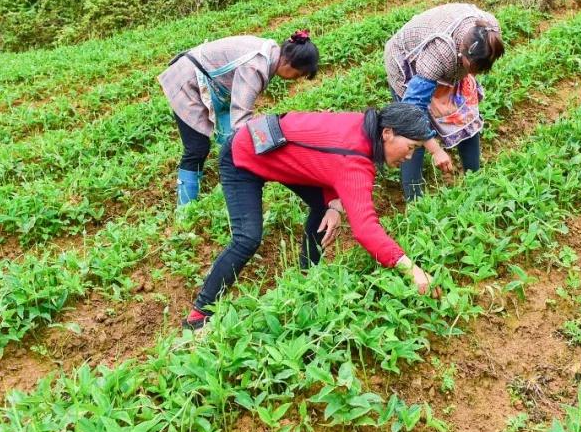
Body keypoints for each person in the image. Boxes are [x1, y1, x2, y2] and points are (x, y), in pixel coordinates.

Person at [183, 103, 441, 331]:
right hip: (243, 154)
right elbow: (365, 230)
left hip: (273, 147)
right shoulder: (355, 161)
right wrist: (413, 271)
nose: (409, 157)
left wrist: (333, 205)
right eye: (410, 147)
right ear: (387, 133)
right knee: (247, 237)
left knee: (323, 208)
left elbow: (325, 157)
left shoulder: (362, 125)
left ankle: (308, 278)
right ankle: (199, 314)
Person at [158, 31, 319, 206]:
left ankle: (228, 185)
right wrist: (263, 146)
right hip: (187, 81)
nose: (296, 80)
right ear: (289, 63)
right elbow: (240, 119)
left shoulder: (272, 52)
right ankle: (186, 210)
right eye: (298, 74)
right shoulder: (256, 66)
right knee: (197, 148)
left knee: (229, 141)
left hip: (212, 84)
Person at [384, 3, 505, 201]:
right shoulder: (440, 52)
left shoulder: (489, 32)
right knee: (412, 137)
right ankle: (415, 202)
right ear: (462, 53)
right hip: (407, 60)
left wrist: (466, 71)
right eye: (471, 67)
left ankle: (474, 183)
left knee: (464, 116)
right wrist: (437, 150)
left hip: (447, 66)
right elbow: (412, 111)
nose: (473, 73)